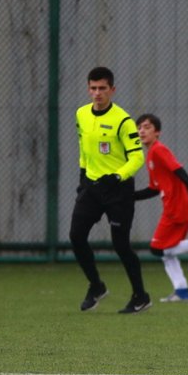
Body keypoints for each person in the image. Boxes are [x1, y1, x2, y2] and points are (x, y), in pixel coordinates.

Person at [70, 66, 151, 314]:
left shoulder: (123, 121)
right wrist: (83, 176)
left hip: (118, 190)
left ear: (112, 90)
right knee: (76, 237)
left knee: (121, 245)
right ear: (88, 89)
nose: (97, 93)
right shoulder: (82, 114)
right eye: (93, 88)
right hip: (92, 188)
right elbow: (84, 148)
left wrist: (117, 176)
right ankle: (96, 286)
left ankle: (141, 295)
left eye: (102, 88)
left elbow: (137, 158)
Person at [134, 113, 188, 302]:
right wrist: (130, 197)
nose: (142, 131)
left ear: (157, 132)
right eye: (139, 127)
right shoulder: (150, 155)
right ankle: (182, 291)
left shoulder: (158, 150)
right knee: (167, 252)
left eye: (147, 127)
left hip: (177, 206)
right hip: (172, 205)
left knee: (157, 249)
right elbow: (154, 188)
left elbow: (179, 170)